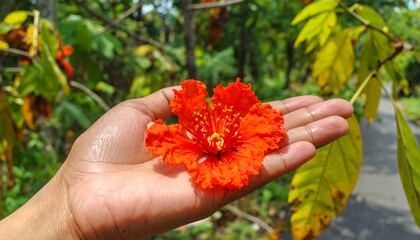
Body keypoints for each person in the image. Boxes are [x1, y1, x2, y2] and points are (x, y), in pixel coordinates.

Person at [0, 86, 353, 239]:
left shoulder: (242, 125)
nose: (215, 139)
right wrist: (69, 207)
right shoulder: (178, 139)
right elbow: (165, 137)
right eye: (213, 137)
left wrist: (69, 211)